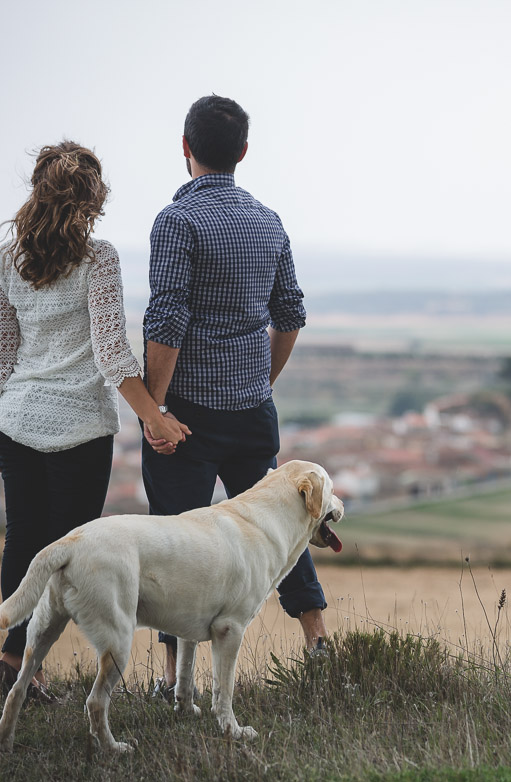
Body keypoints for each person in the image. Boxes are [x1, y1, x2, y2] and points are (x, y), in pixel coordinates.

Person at [0, 141, 191, 699]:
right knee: (66, 554)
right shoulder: (99, 259)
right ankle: (30, 672)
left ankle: (11, 664)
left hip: (17, 419)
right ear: (91, 199)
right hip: (79, 428)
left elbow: (0, 347)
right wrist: (155, 415)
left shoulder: (9, 258)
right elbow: (111, 352)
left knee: (22, 538)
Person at [140, 95, 328, 698]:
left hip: (186, 415)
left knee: (175, 542)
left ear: (185, 148)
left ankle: (175, 682)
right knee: (282, 530)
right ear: (243, 152)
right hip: (252, 410)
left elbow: (166, 320)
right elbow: (291, 312)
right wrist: (260, 384)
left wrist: (156, 407)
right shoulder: (268, 222)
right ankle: (318, 640)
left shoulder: (177, 222)